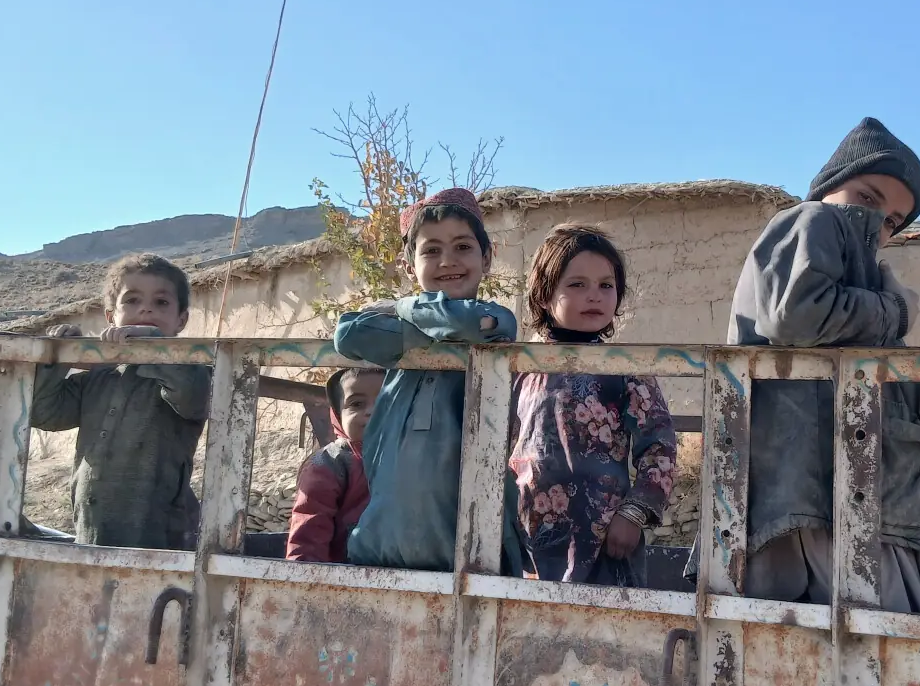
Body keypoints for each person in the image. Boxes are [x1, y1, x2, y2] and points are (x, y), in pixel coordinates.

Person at [726, 117, 920, 617]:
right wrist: (895, 311)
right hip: (818, 479)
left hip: (843, 479)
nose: (877, 223)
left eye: (892, 221)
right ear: (828, 185)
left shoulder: (847, 252)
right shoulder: (813, 220)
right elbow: (797, 315)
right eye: (866, 197)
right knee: (917, 623)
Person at [336, 188, 525, 573]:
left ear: (487, 258)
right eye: (431, 250)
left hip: (470, 559)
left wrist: (402, 308)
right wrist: (431, 325)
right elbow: (348, 333)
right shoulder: (404, 333)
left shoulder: (498, 320)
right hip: (381, 552)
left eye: (462, 247)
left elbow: (471, 324)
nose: (448, 261)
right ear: (410, 266)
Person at [509, 225, 676, 585]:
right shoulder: (518, 368)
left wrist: (632, 515)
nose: (594, 296)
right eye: (577, 284)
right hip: (525, 544)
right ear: (544, 295)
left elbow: (659, 448)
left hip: (605, 542)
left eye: (606, 285)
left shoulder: (628, 370)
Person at [30, 253, 211, 551]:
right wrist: (58, 357)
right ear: (110, 317)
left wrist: (154, 342)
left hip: (163, 541)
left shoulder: (188, 372)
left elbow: (193, 396)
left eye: (161, 303)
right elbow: (43, 413)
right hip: (92, 532)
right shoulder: (99, 378)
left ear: (181, 320)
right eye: (132, 300)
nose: (146, 309)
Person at [285, 367, 385, 563]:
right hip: (342, 575)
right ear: (338, 414)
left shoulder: (410, 459)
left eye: (385, 402)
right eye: (357, 404)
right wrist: (305, 576)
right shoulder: (329, 464)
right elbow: (308, 533)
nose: (372, 411)